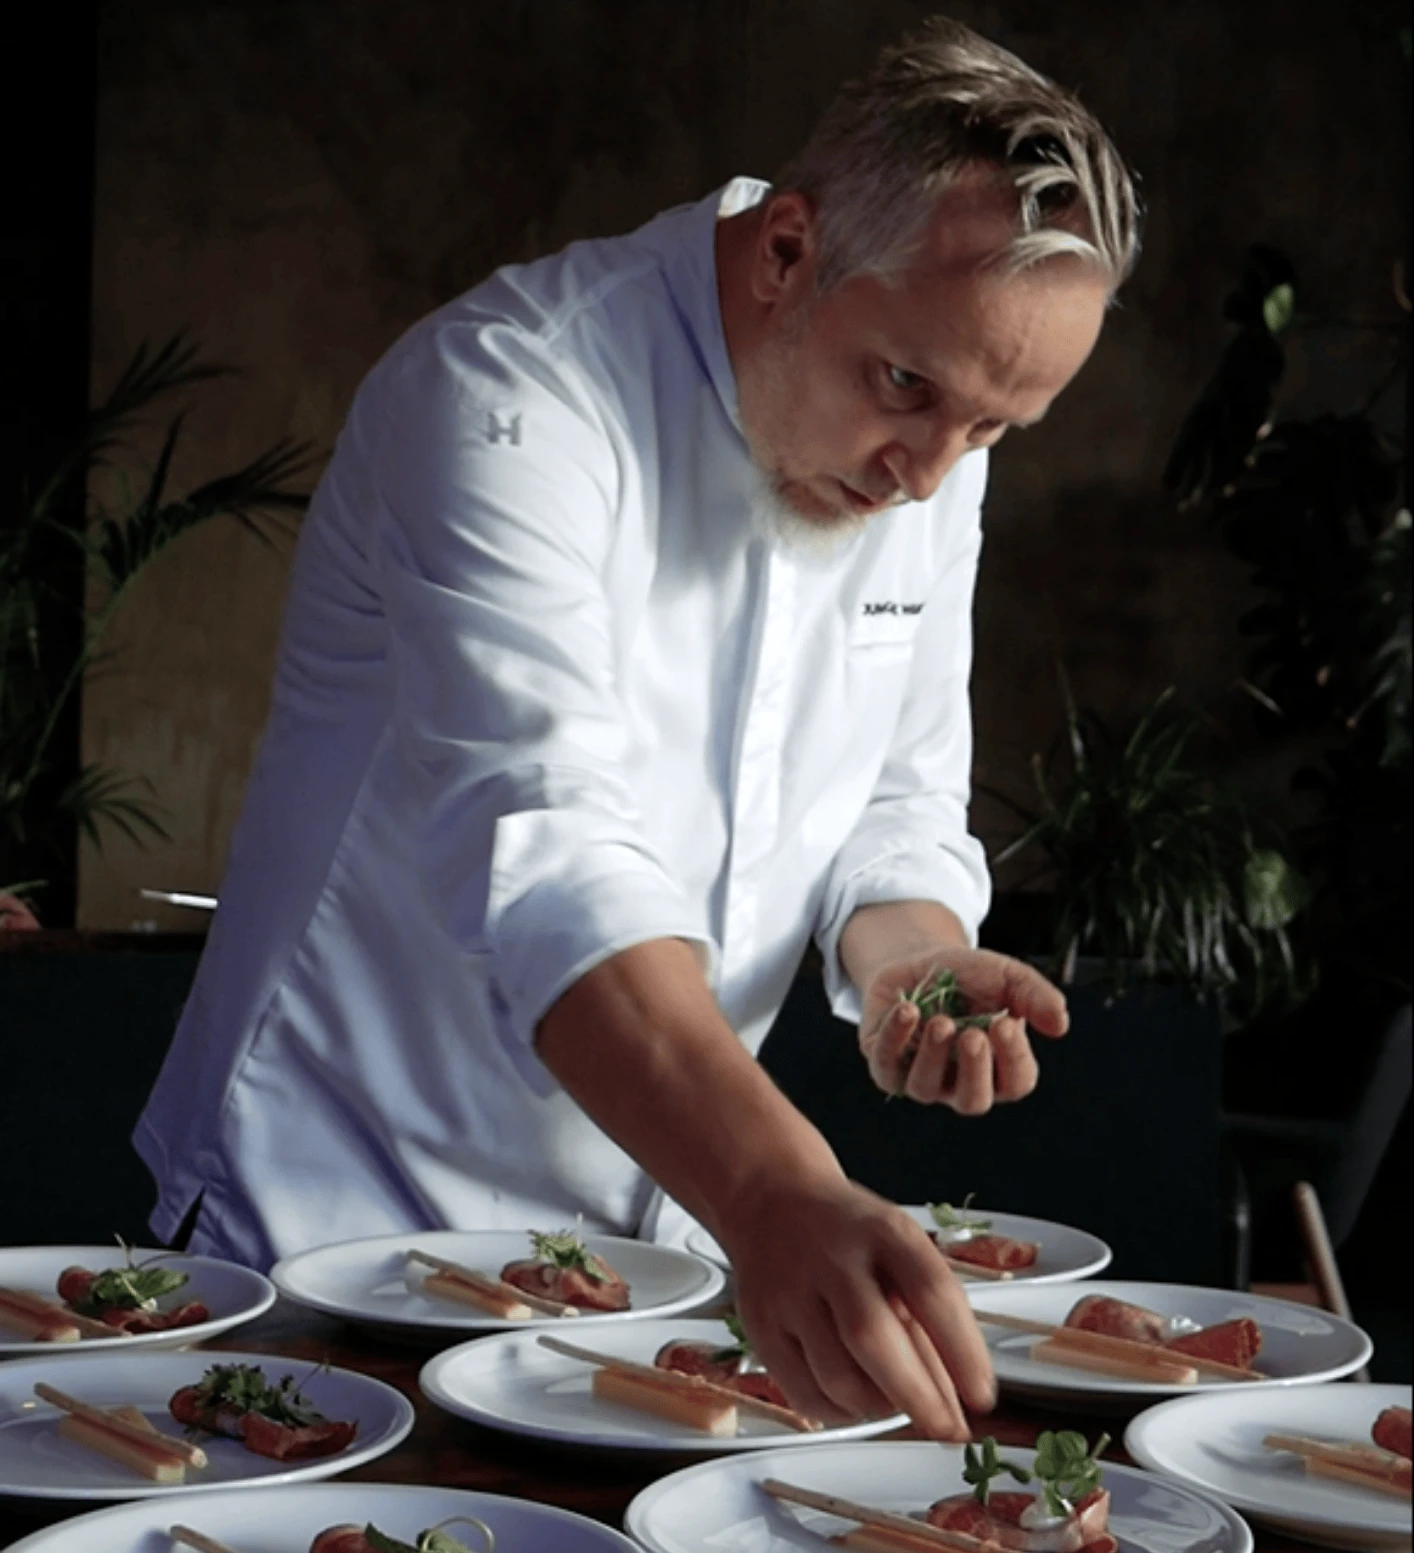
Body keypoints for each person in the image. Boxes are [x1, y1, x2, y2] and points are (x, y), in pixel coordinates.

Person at [136, 16, 1139, 1436]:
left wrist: (916, 962)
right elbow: (553, 859)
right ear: (788, 250)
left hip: (649, 1255)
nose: (929, 479)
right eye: (906, 391)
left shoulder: (927, 438)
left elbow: (896, 798)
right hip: (341, 1222)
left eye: (992, 431)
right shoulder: (504, 397)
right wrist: (780, 1188)